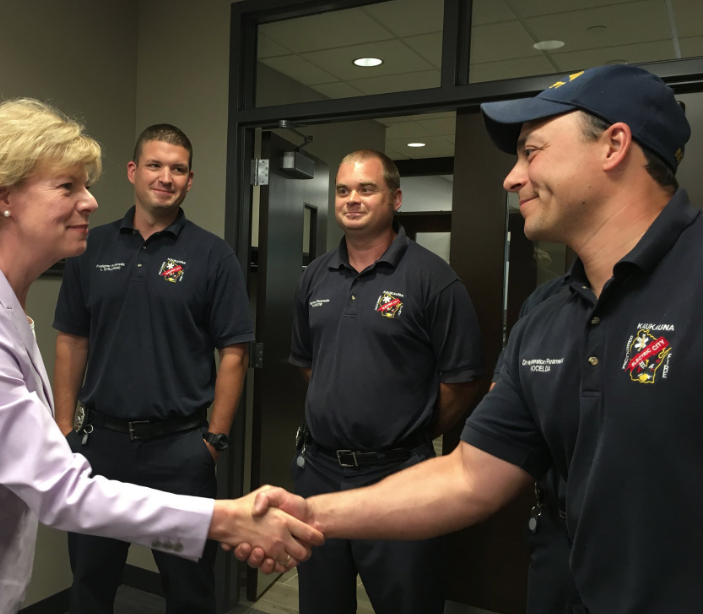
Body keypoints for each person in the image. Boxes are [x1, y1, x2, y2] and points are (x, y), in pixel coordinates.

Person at [235, 65, 703, 614]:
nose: (513, 177)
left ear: (613, 146)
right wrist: (309, 515)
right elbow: (468, 475)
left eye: (532, 151)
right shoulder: (546, 313)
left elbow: (460, 382)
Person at [0, 99, 321, 614]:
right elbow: (60, 492)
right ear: (2, 196)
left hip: (162, 453)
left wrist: (211, 441)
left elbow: (232, 348)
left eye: (86, 185)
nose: (91, 202)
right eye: (68, 186)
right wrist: (229, 519)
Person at [53, 123, 253, 614]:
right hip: (101, 448)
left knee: (189, 591)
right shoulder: (88, 247)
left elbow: (235, 351)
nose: (166, 177)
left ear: (190, 180)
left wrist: (214, 441)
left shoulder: (213, 255)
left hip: (180, 450)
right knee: (91, 582)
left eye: (178, 169)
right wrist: (63, 428)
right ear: (132, 171)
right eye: (155, 165)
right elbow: (71, 340)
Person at [286, 150, 484, 613]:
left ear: (395, 198)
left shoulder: (433, 279)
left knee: (408, 601)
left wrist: (410, 432)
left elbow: (464, 379)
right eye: (342, 190)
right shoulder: (314, 277)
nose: (352, 199)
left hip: (399, 475)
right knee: (320, 602)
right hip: (318, 471)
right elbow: (308, 364)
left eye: (366, 189)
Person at [492, 275, 584, 614]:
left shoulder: (686, 282)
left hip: (660, 548)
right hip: (556, 533)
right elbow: (478, 463)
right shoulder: (545, 301)